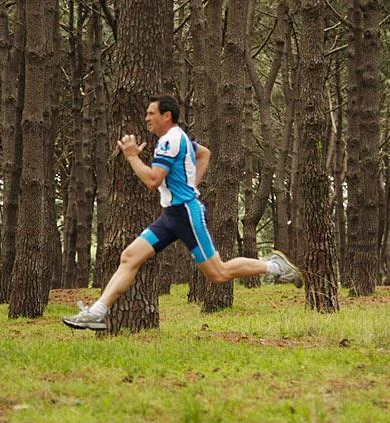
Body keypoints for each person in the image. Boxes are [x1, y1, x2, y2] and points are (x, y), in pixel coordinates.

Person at [63, 94, 303, 330]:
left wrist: (132, 156)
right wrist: (191, 183)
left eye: (151, 113)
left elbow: (153, 180)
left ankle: (275, 266)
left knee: (218, 273)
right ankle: (97, 313)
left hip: (187, 215)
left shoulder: (169, 141)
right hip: (171, 216)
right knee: (129, 257)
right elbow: (203, 153)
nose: (146, 118)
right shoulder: (179, 138)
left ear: (166, 116)